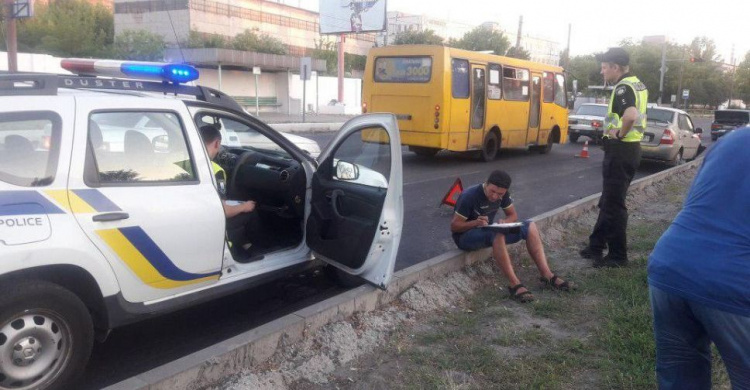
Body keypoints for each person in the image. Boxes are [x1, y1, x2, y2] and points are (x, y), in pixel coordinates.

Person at [648, 128, 750, 389]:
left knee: (680, 376)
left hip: (671, 263)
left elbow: (700, 203)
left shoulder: (732, 139)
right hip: (733, 280)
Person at [450, 170, 574, 302]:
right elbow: (455, 226)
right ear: (486, 184)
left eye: (500, 194)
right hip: (465, 237)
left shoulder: (502, 195)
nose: (494, 196)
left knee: (530, 226)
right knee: (498, 233)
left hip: (488, 231)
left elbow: (513, 215)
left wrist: (505, 222)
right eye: (492, 191)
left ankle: (547, 275)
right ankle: (514, 284)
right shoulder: (469, 195)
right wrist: (475, 222)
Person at [580, 47, 648, 267]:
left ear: (615, 67)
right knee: (608, 200)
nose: (602, 72)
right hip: (629, 150)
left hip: (621, 150)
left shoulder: (623, 88)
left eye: (604, 68)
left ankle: (618, 256)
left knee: (614, 205)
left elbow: (630, 115)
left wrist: (619, 133)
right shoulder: (638, 83)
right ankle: (596, 245)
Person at [199, 125, 258, 254]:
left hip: (196, 218)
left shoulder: (182, 161)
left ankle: (245, 245)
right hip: (212, 226)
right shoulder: (214, 170)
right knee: (251, 211)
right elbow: (223, 211)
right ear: (217, 143)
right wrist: (244, 206)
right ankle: (254, 251)